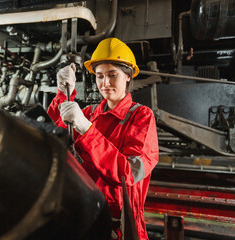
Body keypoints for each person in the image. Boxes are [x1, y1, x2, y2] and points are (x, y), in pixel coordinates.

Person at [47, 38, 159, 240]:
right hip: (84, 222)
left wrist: (86, 129)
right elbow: (55, 135)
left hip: (120, 230)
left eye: (112, 75)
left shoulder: (141, 116)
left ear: (128, 76)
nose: (105, 83)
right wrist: (63, 92)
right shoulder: (89, 114)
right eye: (99, 76)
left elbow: (128, 174)